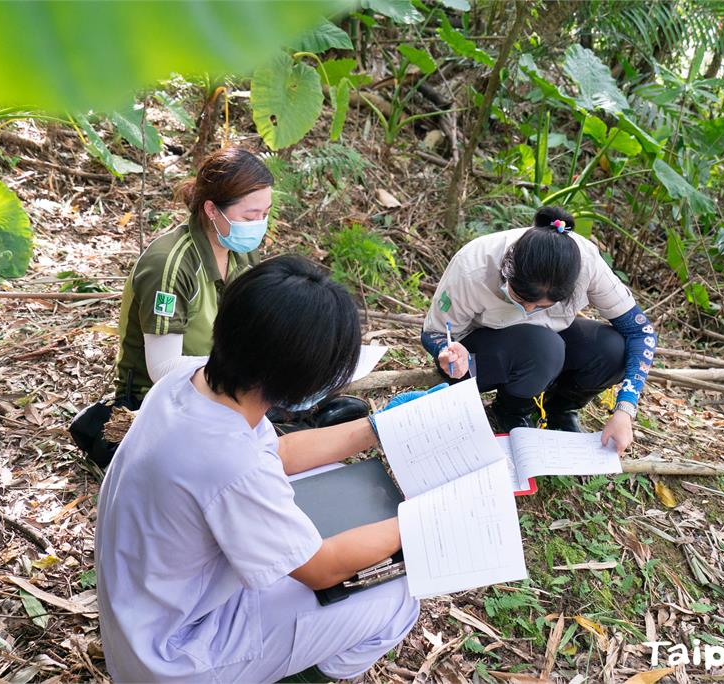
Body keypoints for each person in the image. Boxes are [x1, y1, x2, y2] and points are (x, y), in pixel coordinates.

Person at [95, 256, 420, 683]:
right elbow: (321, 567)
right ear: (297, 380)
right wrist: (421, 519)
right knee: (398, 598)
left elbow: (278, 454)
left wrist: (376, 427)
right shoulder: (230, 463)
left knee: (326, 478)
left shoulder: (192, 381)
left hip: (142, 612)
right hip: (176, 656)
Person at [69, 148, 365, 468]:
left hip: (226, 378)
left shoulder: (238, 251)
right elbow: (162, 368)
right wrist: (246, 371)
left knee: (324, 396)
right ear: (212, 209)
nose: (259, 225)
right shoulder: (170, 265)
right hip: (165, 396)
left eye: (265, 215)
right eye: (250, 217)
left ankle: (302, 424)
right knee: (261, 452)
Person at [421, 206, 657, 454]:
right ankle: (511, 409)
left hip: (543, 343)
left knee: (613, 349)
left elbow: (640, 332)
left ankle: (560, 409)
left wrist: (625, 409)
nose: (528, 310)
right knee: (544, 347)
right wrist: (445, 352)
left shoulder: (586, 263)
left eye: (542, 305)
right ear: (507, 271)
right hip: (476, 357)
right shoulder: (474, 266)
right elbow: (433, 333)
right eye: (520, 299)